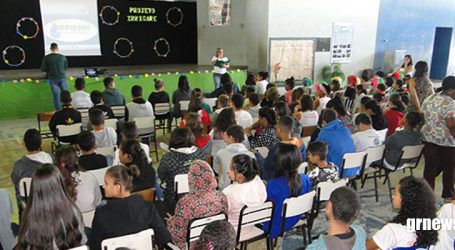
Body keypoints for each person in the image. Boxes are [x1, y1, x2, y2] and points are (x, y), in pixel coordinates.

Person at [90, 165, 171, 250]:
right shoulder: (148, 207)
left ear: (118, 187)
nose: (103, 186)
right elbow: (164, 237)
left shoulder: (101, 214)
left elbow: (95, 246)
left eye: (106, 183)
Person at [16, 164, 87, 249]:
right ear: (60, 184)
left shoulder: (29, 215)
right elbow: (82, 240)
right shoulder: (72, 210)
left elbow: (25, 243)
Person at [167, 160, 228, 249]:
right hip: (215, 242)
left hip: (192, 246)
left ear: (191, 178)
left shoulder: (185, 203)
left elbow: (177, 237)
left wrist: (171, 224)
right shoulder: (221, 196)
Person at [366, 176, 438, 250]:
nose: (392, 196)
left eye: (395, 194)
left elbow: (364, 247)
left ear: (405, 200)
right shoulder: (430, 224)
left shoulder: (392, 230)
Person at [264, 143, 312, 238]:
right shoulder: (305, 179)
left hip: (276, 225)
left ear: (277, 163)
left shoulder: (273, 184)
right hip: (296, 217)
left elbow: (268, 208)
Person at [421, 76, 455, 201]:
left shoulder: (430, 98)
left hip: (429, 139)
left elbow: (423, 116)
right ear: (451, 90)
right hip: (447, 142)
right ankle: (448, 195)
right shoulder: (450, 103)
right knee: (449, 168)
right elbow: (451, 125)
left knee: (429, 169)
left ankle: (427, 196)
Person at [158, 127, 206, 213]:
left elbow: (161, 176)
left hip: (174, 201)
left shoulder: (168, 158)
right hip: (198, 196)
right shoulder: (201, 154)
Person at [223, 154, 266, 238]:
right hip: (250, 226)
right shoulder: (258, 181)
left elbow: (223, 213)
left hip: (232, 231)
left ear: (240, 176)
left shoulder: (230, 192)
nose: (227, 171)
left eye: (231, 169)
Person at [11, 128, 53, 205]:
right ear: (41, 143)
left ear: (24, 144)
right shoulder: (52, 160)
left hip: (30, 207)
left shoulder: (18, 166)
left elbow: (18, 189)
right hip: (51, 203)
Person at [55, 145, 101, 213]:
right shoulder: (89, 176)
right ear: (77, 159)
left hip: (67, 221)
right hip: (91, 219)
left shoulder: (53, 182)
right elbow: (98, 201)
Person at [263, 116, 306, 181]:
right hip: (296, 178)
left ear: (279, 129)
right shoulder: (301, 144)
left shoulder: (276, 149)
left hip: (278, 181)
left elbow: (267, 168)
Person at [215, 125, 256, 189]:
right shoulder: (251, 155)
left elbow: (217, 170)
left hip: (225, 189)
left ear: (231, 137)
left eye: (226, 135)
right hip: (245, 189)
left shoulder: (220, 153)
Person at [41, 43, 68, 110]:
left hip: (53, 79)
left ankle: (58, 110)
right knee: (65, 94)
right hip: (62, 77)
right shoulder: (63, 57)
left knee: (56, 95)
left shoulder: (47, 58)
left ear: (50, 49)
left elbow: (43, 69)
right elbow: (65, 68)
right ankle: (67, 107)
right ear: (57, 48)